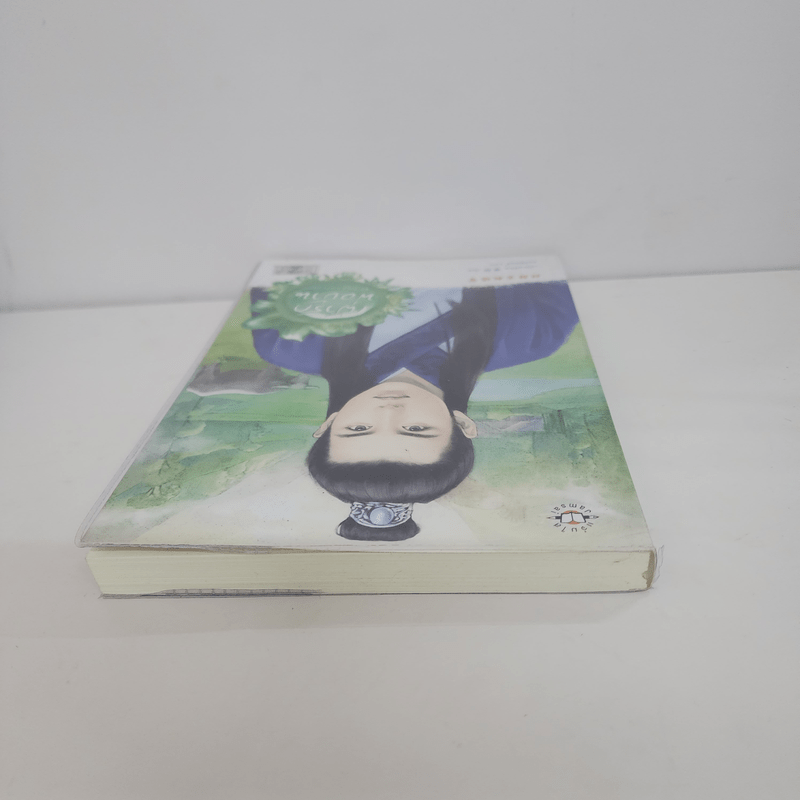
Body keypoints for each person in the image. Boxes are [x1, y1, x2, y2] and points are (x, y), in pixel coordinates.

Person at [250, 281, 579, 541]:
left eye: (359, 429)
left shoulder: (287, 344)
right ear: (463, 424)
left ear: (328, 424)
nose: (389, 411)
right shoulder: (535, 335)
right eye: (416, 430)